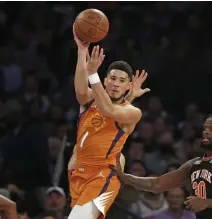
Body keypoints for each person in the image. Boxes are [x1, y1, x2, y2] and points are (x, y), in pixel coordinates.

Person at [68, 26, 150, 219]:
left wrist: (92, 74)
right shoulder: (92, 100)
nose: (115, 83)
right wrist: (82, 51)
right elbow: (81, 91)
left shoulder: (133, 112)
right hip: (79, 177)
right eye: (112, 78)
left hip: (104, 177)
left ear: (128, 85)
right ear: (105, 81)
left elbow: (110, 110)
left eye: (121, 81)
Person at [114, 114, 212, 219]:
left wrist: (207, 202)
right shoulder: (194, 164)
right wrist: (125, 177)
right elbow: (156, 184)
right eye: (205, 128)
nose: (206, 131)